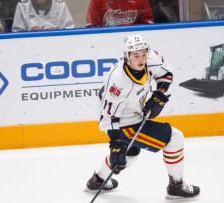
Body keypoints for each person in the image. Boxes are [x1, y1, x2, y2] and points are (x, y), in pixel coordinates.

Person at [86, 34, 200, 199]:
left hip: (132, 111)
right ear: (127, 56)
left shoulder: (150, 57)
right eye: (136, 56)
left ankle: (97, 181)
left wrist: (159, 94)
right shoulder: (118, 82)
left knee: (131, 152)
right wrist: (115, 143)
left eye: (143, 54)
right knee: (175, 138)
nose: (141, 59)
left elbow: (166, 74)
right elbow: (108, 118)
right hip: (119, 119)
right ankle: (176, 185)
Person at [86, 0, 154, 27]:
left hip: (134, 43)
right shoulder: (97, 1)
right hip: (107, 41)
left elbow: (148, 23)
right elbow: (91, 26)